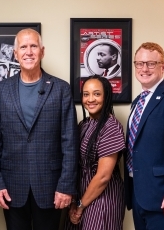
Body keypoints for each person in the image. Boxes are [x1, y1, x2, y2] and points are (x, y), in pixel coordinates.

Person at [0, 28, 79, 230]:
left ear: (42, 51)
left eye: (33, 46)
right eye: (23, 47)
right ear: (15, 54)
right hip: (12, 186)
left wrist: (66, 186)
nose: (28, 52)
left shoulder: (61, 89)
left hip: (51, 187)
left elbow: (70, 142)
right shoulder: (1, 90)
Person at [124, 42, 164, 230]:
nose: (144, 68)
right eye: (140, 63)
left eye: (151, 63)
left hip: (163, 198)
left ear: (163, 67)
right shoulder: (137, 102)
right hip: (139, 195)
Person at [64, 75, 125, 230]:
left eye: (97, 94)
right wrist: (74, 202)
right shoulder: (83, 125)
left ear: (106, 96)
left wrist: (80, 205)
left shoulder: (110, 127)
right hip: (81, 196)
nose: (90, 99)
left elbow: (103, 177)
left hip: (103, 199)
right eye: (86, 94)